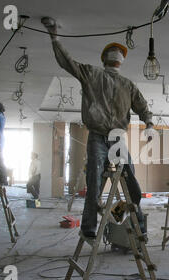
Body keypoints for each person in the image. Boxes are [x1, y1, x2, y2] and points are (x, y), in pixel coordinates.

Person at [42, 17, 153, 239]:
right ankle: (89, 229)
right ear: (107, 60)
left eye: (118, 53)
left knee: (131, 184)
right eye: (114, 53)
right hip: (97, 137)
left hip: (117, 139)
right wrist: (54, 37)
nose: (116, 55)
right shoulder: (92, 74)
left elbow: (142, 107)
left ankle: (131, 221)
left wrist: (149, 123)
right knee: (94, 184)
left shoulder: (127, 85)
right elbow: (67, 62)